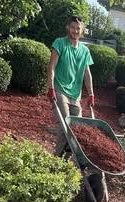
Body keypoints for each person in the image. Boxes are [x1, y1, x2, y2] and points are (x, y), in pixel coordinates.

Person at [47, 15, 94, 155]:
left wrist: (91, 94)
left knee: (76, 128)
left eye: (78, 28)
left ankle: (66, 158)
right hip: (60, 90)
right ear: (68, 28)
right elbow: (52, 66)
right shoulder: (59, 43)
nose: (75, 30)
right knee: (66, 122)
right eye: (73, 27)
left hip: (76, 95)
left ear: (82, 30)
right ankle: (57, 158)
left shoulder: (85, 51)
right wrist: (51, 88)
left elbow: (87, 73)